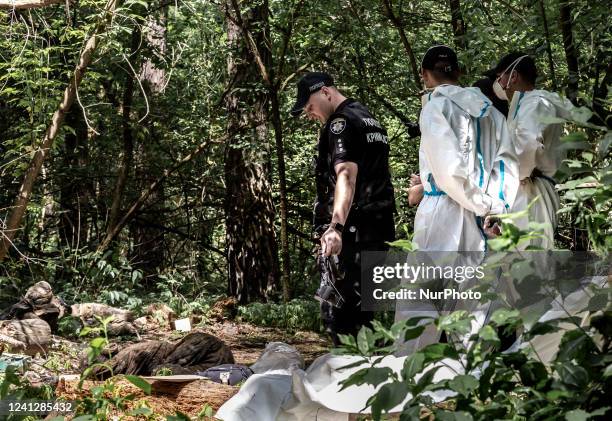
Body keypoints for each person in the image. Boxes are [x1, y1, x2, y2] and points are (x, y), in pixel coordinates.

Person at [290, 72, 396, 346]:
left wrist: (335, 227)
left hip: (352, 234)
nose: (309, 113)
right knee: (366, 316)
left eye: (309, 106)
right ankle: (372, 378)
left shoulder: (341, 124)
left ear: (325, 92)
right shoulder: (367, 117)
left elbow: (346, 176)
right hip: (377, 230)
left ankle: (348, 378)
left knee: (338, 313)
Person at [413, 45, 519, 252]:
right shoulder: (492, 113)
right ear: (458, 71)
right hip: (486, 219)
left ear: (424, 75)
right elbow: (507, 163)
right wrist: (496, 206)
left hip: (442, 215)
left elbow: (449, 171)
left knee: (429, 281)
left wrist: (482, 205)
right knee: (477, 280)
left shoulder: (434, 108)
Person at [489, 52, 573, 248]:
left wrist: (516, 174)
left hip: (532, 190)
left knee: (530, 258)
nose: (497, 83)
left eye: (499, 77)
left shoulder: (535, 102)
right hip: (529, 188)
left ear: (514, 76)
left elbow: (528, 145)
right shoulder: (526, 104)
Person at [407, 76, 509, 208]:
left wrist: (426, 187)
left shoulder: (491, 124)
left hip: (465, 207)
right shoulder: (496, 124)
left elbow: (457, 172)